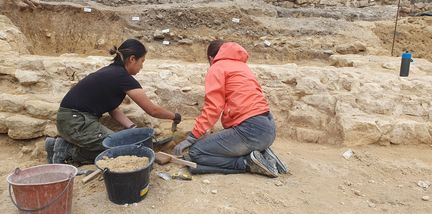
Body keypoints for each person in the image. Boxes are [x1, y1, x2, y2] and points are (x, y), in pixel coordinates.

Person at [46, 39, 181, 164]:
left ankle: (59, 145)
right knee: (121, 151)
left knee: (121, 144)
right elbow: (153, 110)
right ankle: (68, 151)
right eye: (142, 61)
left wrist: (132, 129)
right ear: (132, 59)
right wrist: (175, 116)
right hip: (76, 122)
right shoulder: (121, 76)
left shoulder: (113, 72)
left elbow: (112, 109)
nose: (142, 67)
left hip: (71, 120)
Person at [173, 40, 287, 178]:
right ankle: (262, 153)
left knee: (196, 152)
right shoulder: (242, 67)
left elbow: (213, 106)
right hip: (268, 129)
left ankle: (247, 162)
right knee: (221, 141)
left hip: (251, 130)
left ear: (211, 58)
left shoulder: (217, 67)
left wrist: (192, 137)